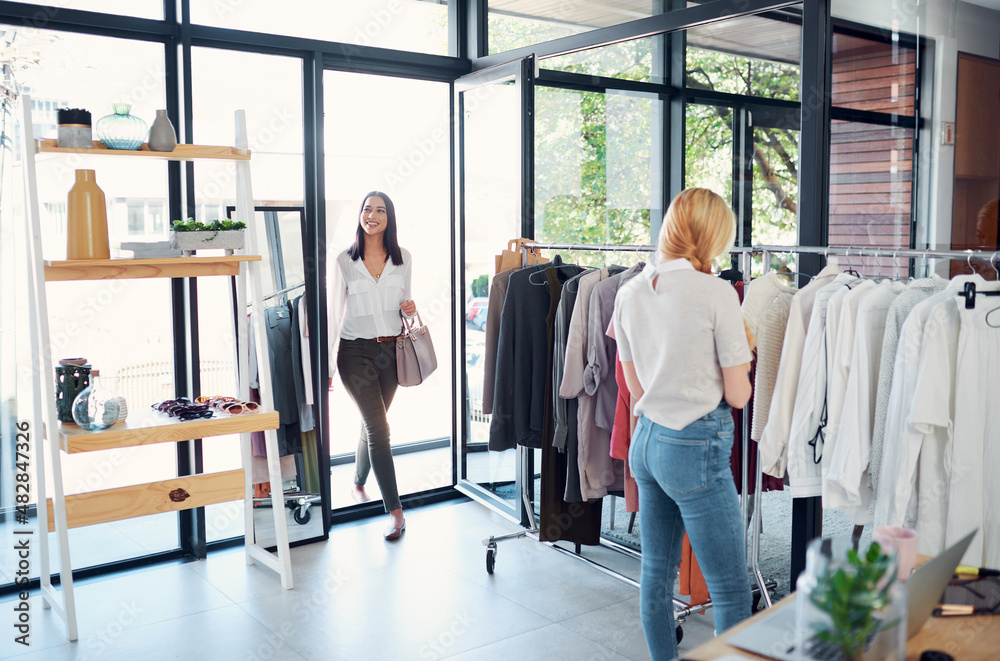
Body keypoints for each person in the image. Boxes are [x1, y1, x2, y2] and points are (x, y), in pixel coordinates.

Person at [613, 188, 753, 660]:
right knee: (731, 589)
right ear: (711, 235)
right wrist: (745, 354)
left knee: (655, 573)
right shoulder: (716, 293)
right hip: (696, 445)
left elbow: (633, 386)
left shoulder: (629, 292)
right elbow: (737, 394)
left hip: (647, 442)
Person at [328, 191, 416, 540]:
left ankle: (357, 481)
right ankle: (396, 512)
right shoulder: (344, 261)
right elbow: (334, 314)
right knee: (380, 429)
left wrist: (408, 308)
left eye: (380, 210)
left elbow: (405, 302)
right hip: (354, 354)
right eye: (367, 209)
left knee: (372, 424)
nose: (373, 215)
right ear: (360, 215)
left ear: (389, 218)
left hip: (390, 353)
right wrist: (326, 369)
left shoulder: (403, 258)